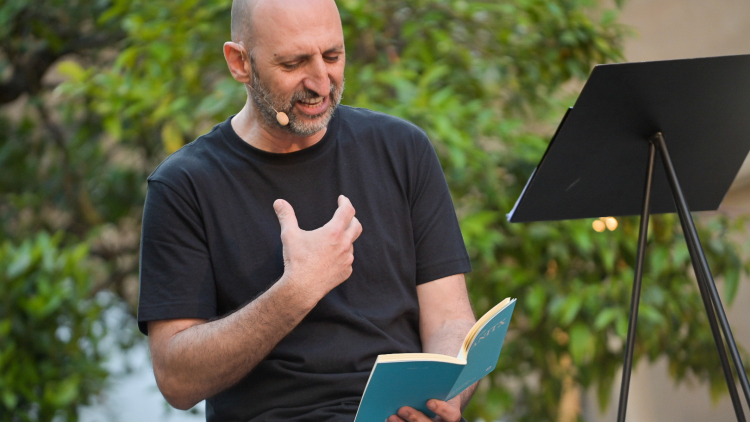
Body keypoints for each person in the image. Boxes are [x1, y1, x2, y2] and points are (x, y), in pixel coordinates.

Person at [137, 0, 477, 421]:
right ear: (240, 63)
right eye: (294, 63)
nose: (320, 82)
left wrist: (444, 398)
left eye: (332, 56)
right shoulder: (183, 185)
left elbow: (450, 321)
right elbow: (177, 379)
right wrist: (296, 291)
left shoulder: (403, 149)